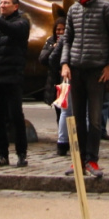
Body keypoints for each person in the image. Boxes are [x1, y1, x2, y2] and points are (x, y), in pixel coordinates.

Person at [59, 0, 109, 178]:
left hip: (97, 71)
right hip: (77, 70)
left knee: (95, 119)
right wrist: (65, 63)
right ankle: (78, 160)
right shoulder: (73, 10)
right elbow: (67, 38)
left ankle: (92, 159)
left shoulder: (107, 7)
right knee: (77, 118)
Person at [0, 0, 31, 168]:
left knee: (15, 116)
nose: (2, 5)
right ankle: (2, 154)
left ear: (15, 6)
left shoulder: (22, 23)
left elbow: (11, 30)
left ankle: (21, 153)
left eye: (6, 3)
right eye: (1, 2)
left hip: (13, 77)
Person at [40, 18, 69, 156]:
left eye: (63, 29)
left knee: (68, 112)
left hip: (67, 82)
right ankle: (62, 137)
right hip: (55, 82)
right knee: (59, 112)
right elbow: (43, 59)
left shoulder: (69, 41)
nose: (61, 32)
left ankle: (68, 139)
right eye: (58, 30)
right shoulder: (50, 41)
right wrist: (54, 47)